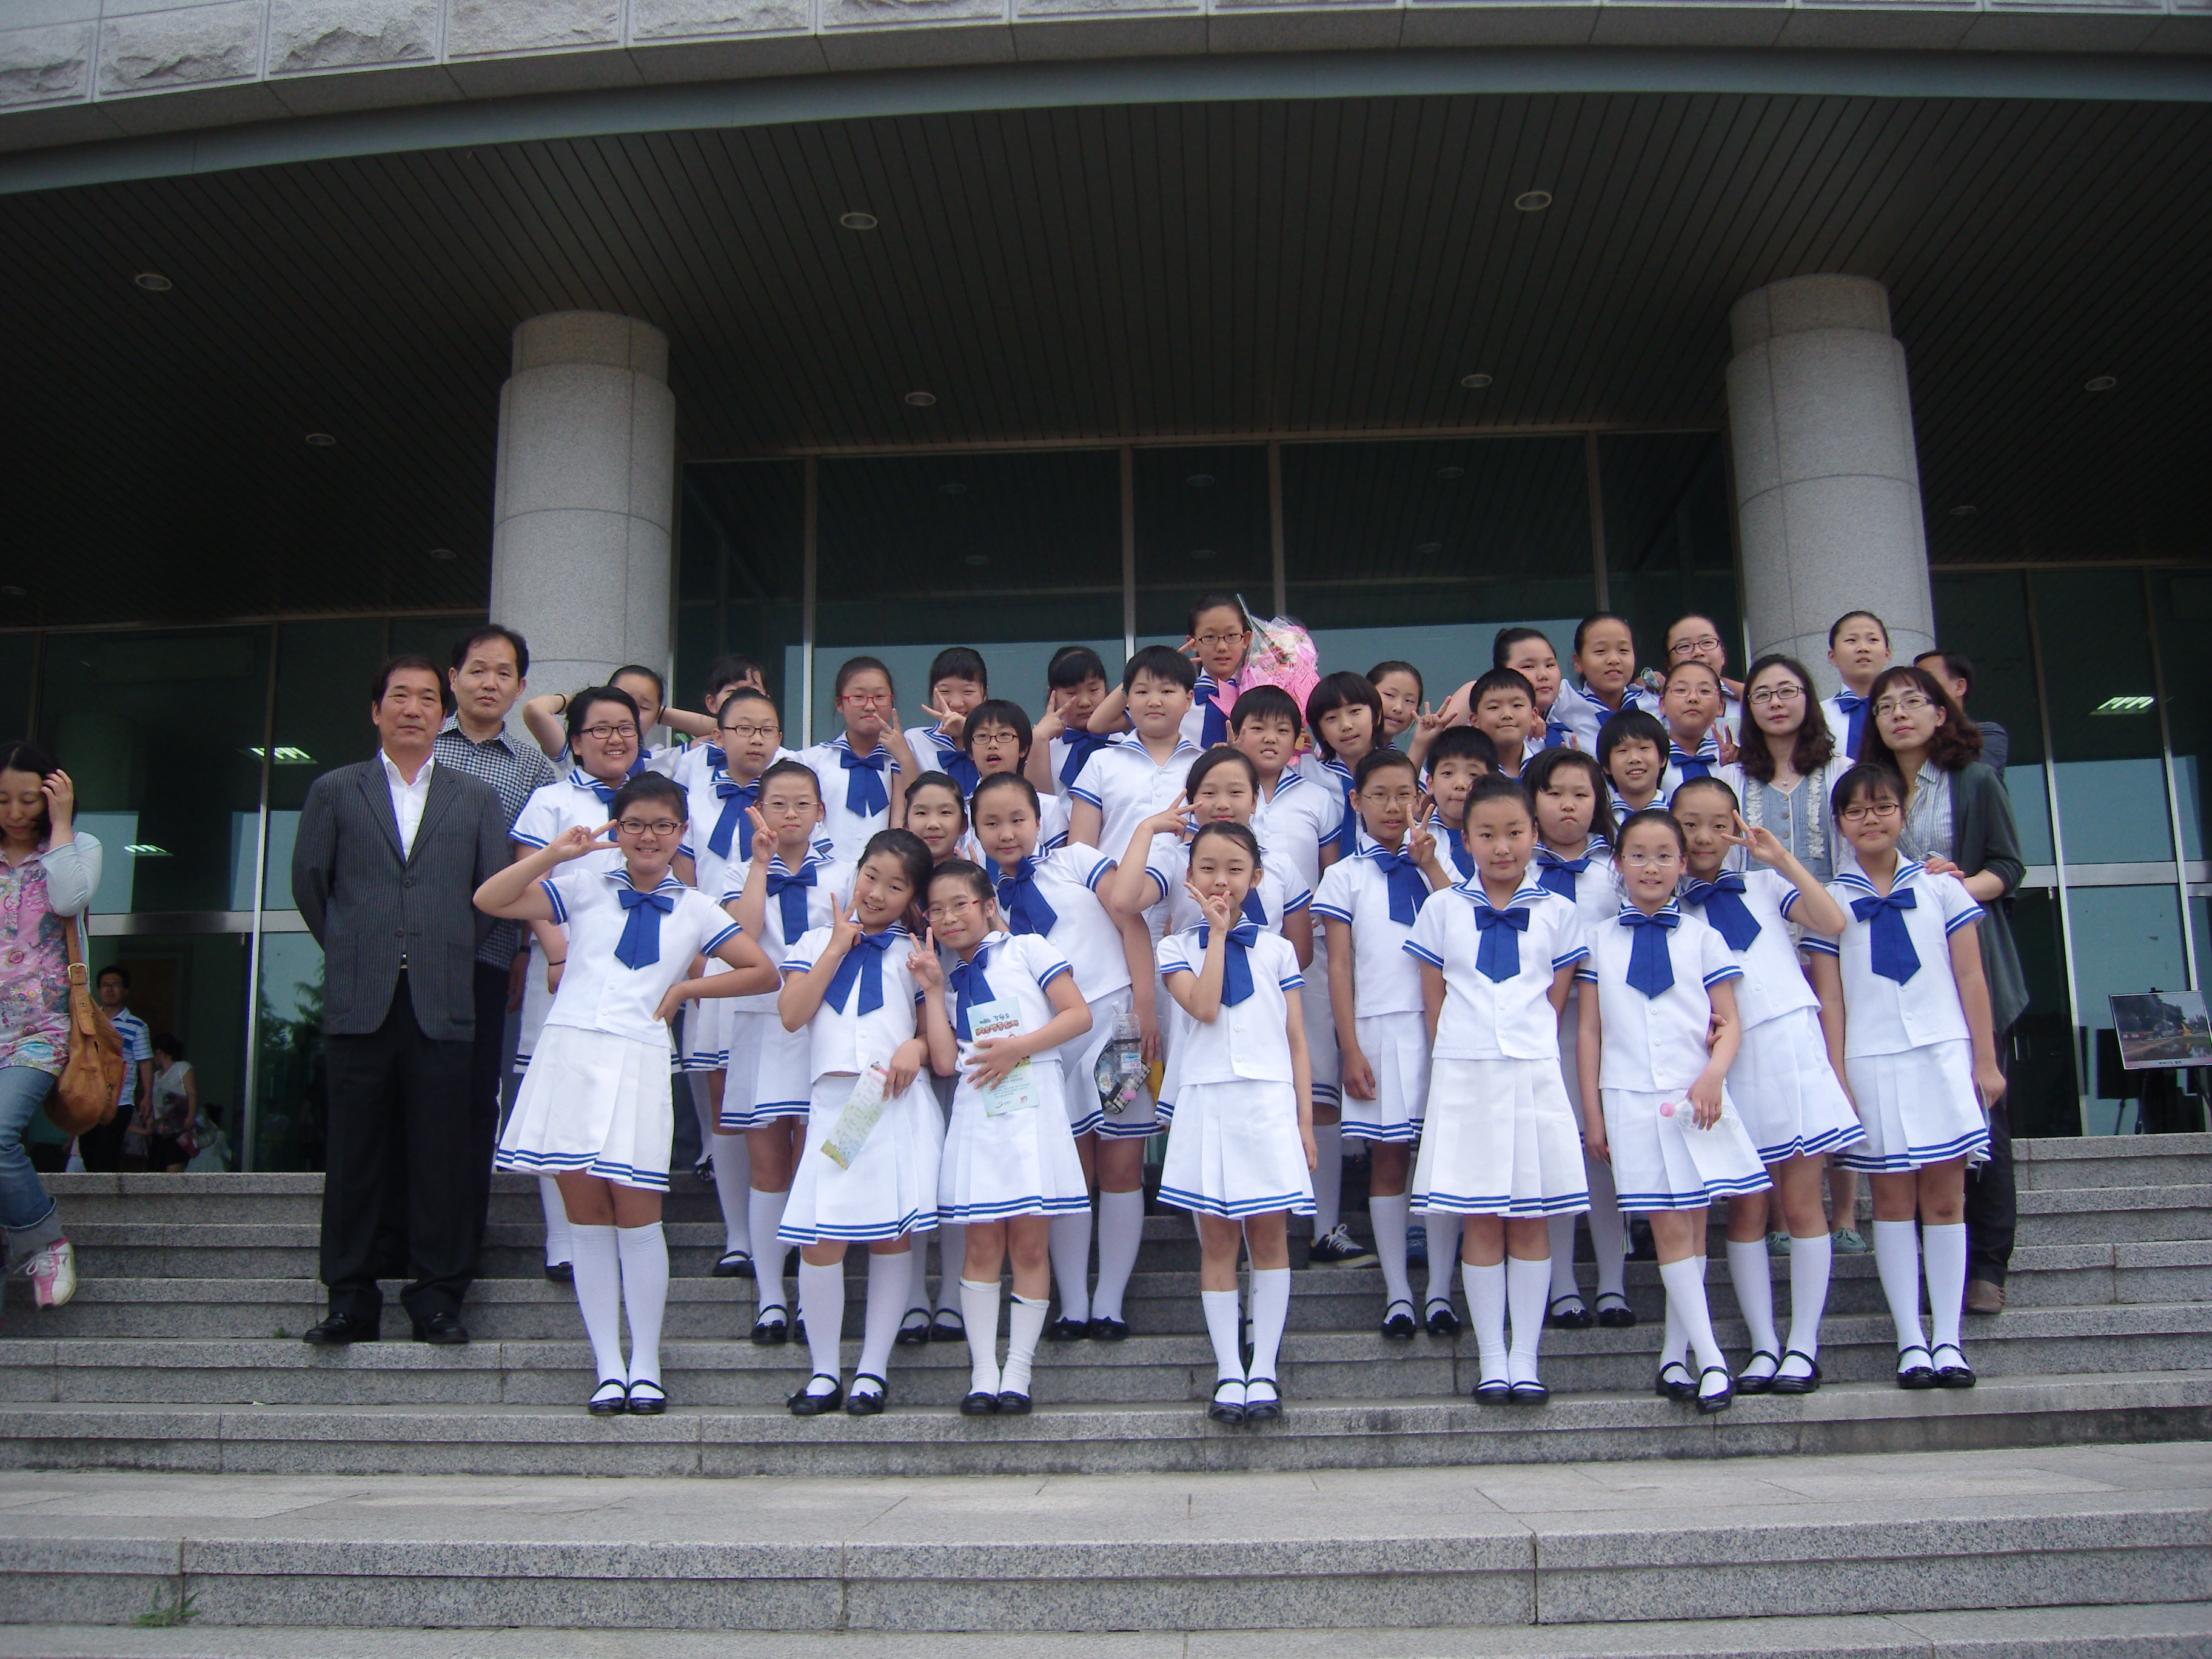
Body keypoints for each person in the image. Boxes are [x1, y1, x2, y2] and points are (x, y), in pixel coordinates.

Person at [480, 773, 777, 1414]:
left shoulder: (697, 907)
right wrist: (555, 854)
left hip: (639, 1057)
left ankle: (646, 1363)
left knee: (639, 1218)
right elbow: (490, 898)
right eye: (635, 824)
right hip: (570, 1053)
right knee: (587, 1219)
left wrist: (686, 990)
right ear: (617, 829)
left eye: (663, 826)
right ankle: (607, 1367)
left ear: (681, 833)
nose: (649, 837)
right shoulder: (584, 886)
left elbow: (762, 971)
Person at [290, 655, 511, 1347]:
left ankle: (437, 1297)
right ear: (375, 710)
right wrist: (358, 948)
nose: (413, 709)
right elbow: (311, 884)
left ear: (443, 714)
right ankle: (350, 1299)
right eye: (399, 697)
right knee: (354, 1155)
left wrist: (443, 947)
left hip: (443, 998)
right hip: (362, 997)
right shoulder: (335, 790)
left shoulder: (475, 797)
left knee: (441, 1155)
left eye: (426, 699)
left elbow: (491, 896)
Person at [1803, 764, 2008, 1388]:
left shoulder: (1944, 889)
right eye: (1856, 811)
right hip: (1872, 1060)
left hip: (1942, 1056)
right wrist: (1838, 1073)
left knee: (1946, 1200)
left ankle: (1949, 1339)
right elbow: (1830, 998)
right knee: (1890, 1203)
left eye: (1882, 806)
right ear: (1840, 824)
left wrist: (1985, 1060)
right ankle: (1910, 1341)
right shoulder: (1829, 903)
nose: (1870, 819)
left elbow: (1971, 977)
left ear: (1903, 812)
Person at [1405, 771, 1592, 1401]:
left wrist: (1525, 1040)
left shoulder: (1559, 913)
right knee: (1481, 1217)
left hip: (1532, 1072)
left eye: (1514, 832)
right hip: (1466, 1073)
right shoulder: (1442, 909)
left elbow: (1556, 1000)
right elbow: (1434, 998)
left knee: (1531, 1217)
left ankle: (1526, 1358)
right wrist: (1456, 1053)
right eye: (1487, 834)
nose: (1502, 847)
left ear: (1535, 834)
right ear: (1465, 840)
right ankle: (1491, 1359)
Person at [1576, 808, 1770, 1415]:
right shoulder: (1598, 941)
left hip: (1696, 1101)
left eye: (1664, 856)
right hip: (1629, 1099)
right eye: (1638, 855)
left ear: (1683, 865)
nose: (1651, 867)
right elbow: (1589, 1033)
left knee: (1691, 1224)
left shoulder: (1703, 938)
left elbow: (1729, 1021)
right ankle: (1711, 1360)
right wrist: (1593, 1114)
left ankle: (1674, 1356)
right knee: (1667, 1225)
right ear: (1619, 864)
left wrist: (1713, 1076)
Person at [1670, 778, 1860, 1395]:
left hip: (1788, 1047)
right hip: (1725, 1062)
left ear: (1737, 827)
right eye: (1689, 824)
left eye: (1718, 824)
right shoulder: (1670, 909)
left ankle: (1804, 1344)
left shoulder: (1765, 885)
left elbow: (1833, 921)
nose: (1704, 837)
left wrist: (1780, 858)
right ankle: (1763, 1344)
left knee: (1802, 1203)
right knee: (1747, 1208)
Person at [1857, 664, 2029, 1318]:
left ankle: (1986, 1264)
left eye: (1913, 702)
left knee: (1982, 1116)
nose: (1899, 714)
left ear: (1941, 712)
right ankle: (1927, 1265)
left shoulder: (1973, 780)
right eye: (1885, 707)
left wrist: (1949, 890)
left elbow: (2008, 867)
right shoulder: (1868, 790)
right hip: (1896, 979)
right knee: (1910, 1125)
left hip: (1968, 963)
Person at [974, 772, 1156, 1341]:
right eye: (991, 823)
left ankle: (1110, 1301)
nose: (1007, 833)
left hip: (1116, 1024)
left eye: (1017, 819)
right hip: (1049, 1047)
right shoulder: (981, 899)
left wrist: (1145, 1007)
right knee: (1072, 1171)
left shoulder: (1078, 859)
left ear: (1039, 819)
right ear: (975, 831)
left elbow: (1130, 922)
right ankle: (1073, 1302)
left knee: (1121, 1164)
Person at [776, 828, 945, 1418]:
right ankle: (824, 1373)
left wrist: (915, 1046)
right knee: (821, 1240)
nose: (876, 893)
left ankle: (873, 1371)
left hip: (888, 1100)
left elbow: (935, 1039)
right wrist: (834, 949)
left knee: (890, 1236)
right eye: (871, 876)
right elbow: (792, 1014)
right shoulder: (814, 941)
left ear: (912, 898)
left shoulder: (914, 954)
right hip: (835, 1104)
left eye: (896, 886)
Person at [1155, 822, 1318, 1425]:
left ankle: (1265, 1368)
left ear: (1257, 877)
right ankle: (1229, 1369)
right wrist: (1218, 936)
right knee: (1218, 1240)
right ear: (1190, 877)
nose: (1221, 880)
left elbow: (1296, 1040)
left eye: (1235, 869)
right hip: (1207, 1100)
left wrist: (1305, 1124)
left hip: (1269, 1102)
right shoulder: (1176, 948)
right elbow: (1202, 1006)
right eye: (1208, 868)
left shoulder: (1278, 951)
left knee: (1270, 1238)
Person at [919, 859, 1095, 1415]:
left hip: (1033, 1100)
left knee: (1029, 1244)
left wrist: (1019, 1048)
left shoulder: (1028, 949)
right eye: (937, 910)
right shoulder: (948, 978)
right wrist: (931, 991)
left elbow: (1079, 1015)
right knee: (981, 1245)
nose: (949, 917)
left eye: (960, 904)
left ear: (988, 905)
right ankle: (983, 1372)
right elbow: (944, 1062)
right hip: (979, 1107)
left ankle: (1018, 1370)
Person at [1313, 749, 1456, 1338]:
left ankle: (1441, 1291)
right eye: (1380, 795)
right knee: (1389, 1158)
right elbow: (1339, 965)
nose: (1394, 807)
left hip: (1444, 1030)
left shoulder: (1444, 863)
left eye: (1405, 795)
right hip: (1377, 1028)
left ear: (1422, 800)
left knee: (1441, 1160)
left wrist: (1432, 867)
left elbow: (1466, 930)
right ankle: (1399, 1292)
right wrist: (1349, 1047)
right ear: (1357, 801)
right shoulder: (1344, 875)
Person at [509, 686, 647, 1281]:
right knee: (563, 1101)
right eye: (601, 729)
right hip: (565, 970)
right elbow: (526, 881)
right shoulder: (552, 801)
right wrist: (557, 951)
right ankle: (564, 1237)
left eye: (626, 728)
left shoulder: (656, 796)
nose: (615, 739)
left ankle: (617, 1230)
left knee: (622, 1098)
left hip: (635, 975)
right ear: (575, 740)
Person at [434, 624, 558, 1255]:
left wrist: (520, 950)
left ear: (520, 686)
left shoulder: (534, 768)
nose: (489, 683)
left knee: (475, 1094)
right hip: (408, 952)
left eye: (503, 673)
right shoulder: (419, 749)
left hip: (485, 951)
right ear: (453, 678)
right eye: (478, 670)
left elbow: (531, 868)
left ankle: (460, 1238)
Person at [1735, 653, 1863, 1256]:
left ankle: (1846, 1212)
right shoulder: (1733, 777)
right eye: (1763, 694)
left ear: (1809, 699)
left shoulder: (1841, 772)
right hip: (1765, 944)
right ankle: (1784, 1215)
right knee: (1779, 1070)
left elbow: (1859, 852)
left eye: (1788, 691)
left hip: (1833, 935)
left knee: (1834, 1066)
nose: (1777, 703)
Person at [725, 759, 853, 1343]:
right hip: (760, 1022)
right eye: (778, 803)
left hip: (821, 1025)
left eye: (803, 804)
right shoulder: (738, 869)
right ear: (759, 810)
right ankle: (769, 1295)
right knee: (769, 1163)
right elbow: (741, 938)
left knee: (814, 1158)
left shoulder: (846, 871)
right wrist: (760, 865)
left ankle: (809, 1292)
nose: (791, 814)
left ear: (821, 811)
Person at [672, 686, 790, 1278]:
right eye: (742, 728)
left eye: (765, 728)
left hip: (786, 962)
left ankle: (788, 1234)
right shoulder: (692, 794)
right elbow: (680, 877)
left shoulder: (794, 791)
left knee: (782, 1103)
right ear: (717, 736)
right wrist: (694, 955)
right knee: (725, 1099)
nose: (755, 739)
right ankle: (738, 1236)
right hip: (717, 960)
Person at [1523, 746, 1632, 1332]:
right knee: (1557, 1153)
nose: (1568, 805)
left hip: (1614, 1030)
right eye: (1554, 793)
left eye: (1581, 794)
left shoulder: (1617, 867)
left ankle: (1613, 1282)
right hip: (1547, 1031)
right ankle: (1562, 1283)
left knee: (1605, 1153)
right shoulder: (1520, 868)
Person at [0, 740, 97, 1309]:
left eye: (29, 800)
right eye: (3, 800)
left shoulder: (78, 847)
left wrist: (60, 825)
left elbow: (68, 900)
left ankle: (46, 1243)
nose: (15, 813)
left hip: (39, 1031)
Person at [1296, 671, 1387, 1265]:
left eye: (1356, 711)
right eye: (1331, 717)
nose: (1346, 724)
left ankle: (1365, 1218)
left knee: (1382, 1069)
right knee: (1319, 1076)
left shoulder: (1408, 774)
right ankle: (1310, 1221)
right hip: (1322, 941)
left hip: (1386, 938)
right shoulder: (1311, 781)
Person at [798, 657, 915, 865]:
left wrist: (905, 759)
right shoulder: (811, 762)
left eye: (880, 697)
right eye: (858, 697)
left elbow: (914, 815)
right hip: (821, 872)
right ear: (839, 704)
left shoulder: (900, 763)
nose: (870, 706)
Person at [521, 664, 705, 777]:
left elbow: (717, 731)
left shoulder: (663, 760)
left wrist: (660, 713)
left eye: (643, 707)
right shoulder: (581, 751)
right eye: (621, 700)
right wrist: (582, 704)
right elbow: (536, 710)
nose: (631, 713)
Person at [77, 965, 152, 1171]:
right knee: (88, 1149)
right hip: (89, 1097)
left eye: (116, 985)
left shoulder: (137, 1026)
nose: (110, 989)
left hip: (120, 1099)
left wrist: (147, 1096)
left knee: (106, 1153)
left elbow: (145, 1062)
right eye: (105, 985)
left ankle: (104, 1191)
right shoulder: (88, 1022)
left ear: (126, 990)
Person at [1550, 614, 1655, 752]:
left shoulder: (1653, 704)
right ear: (1578, 662)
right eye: (1600, 651)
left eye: (1623, 650)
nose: (1614, 660)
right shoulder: (1564, 703)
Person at [1027, 646, 1113, 801]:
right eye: (1072, 693)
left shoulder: (1127, 740)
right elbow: (1039, 805)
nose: (1085, 702)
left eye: (1093, 690)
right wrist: (1039, 739)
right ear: (1052, 695)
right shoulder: (1045, 746)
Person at [902, 648, 991, 798]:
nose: (956, 703)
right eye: (945, 692)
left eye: (968, 692)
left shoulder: (1001, 741)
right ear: (932, 694)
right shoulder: (914, 741)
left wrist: (972, 733)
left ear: (985, 694)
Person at [1915, 650, 2009, 776]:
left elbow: (1972, 775)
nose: (1916, 689)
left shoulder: (1987, 734)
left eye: (1927, 679)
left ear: (1960, 687)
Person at [1423, 726, 1499, 882]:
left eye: (1473, 775)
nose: (1460, 784)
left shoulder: (1502, 842)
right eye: (1448, 773)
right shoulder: (1414, 839)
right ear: (1430, 784)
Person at [1657, 660, 1738, 795]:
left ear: (1720, 707)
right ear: (1662, 704)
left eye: (1705, 691)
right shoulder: (1652, 757)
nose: (1693, 698)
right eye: (1681, 690)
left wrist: (1732, 770)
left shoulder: (1731, 757)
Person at [1823, 611, 1892, 760]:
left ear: (1887, 654)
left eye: (1873, 640)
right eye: (1851, 640)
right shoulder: (1818, 714)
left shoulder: (1902, 712)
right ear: (1832, 657)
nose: (1863, 648)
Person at [1663, 613, 1745, 725]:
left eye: (1707, 643)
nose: (1698, 652)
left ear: (1723, 655)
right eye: (1684, 646)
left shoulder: (1747, 707)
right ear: (1668, 663)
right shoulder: (1651, 708)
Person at [1466, 669, 1538, 782]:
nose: (1507, 715)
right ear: (1475, 721)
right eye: (1494, 707)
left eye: (1517, 705)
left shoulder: (1546, 771)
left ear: (1533, 716)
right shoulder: (1467, 775)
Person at [1597, 709, 1671, 817]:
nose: (1634, 758)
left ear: (1662, 759)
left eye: (1644, 748)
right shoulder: (1598, 821)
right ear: (1607, 766)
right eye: (1622, 751)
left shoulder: (1679, 817)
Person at [142, 1034, 196, 1172]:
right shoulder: (156, 1076)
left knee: (174, 1165)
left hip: (178, 1127)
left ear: (158, 1052)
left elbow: (192, 1093)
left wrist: (191, 1116)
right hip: (160, 1129)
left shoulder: (182, 1068)